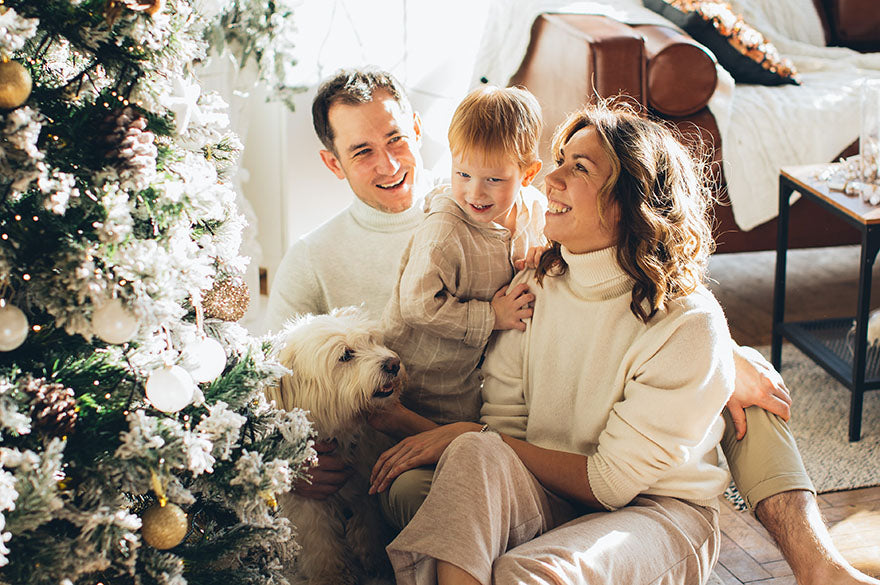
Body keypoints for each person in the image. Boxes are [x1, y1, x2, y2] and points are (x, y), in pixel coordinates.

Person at [265, 68, 879, 585]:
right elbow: (269, 390)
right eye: (362, 151)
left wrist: (721, 354)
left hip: (629, 494)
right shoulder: (325, 259)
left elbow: (640, 294)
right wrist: (289, 459)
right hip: (487, 456)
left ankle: (818, 565)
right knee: (475, 461)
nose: (546, 181)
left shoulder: (493, 196)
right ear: (332, 162)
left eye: (396, 139)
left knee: (744, 385)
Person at [381, 86, 545, 427]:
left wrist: (547, 254)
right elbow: (417, 305)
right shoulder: (444, 229)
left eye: (494, 180)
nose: (475, 192)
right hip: (428, 382)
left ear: (527, 175)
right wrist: (491, 316)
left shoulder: (536, 210)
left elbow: (556, 246)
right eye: (463, 174)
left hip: (485, 378)